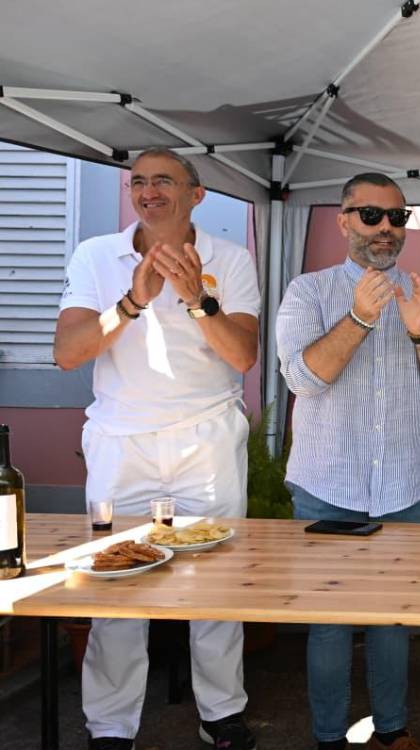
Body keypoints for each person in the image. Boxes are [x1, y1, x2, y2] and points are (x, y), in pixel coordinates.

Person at [53, 147, 261, 750]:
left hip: (207, 439)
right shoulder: (96, 255)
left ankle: (221, 714)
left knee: (216, 584)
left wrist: (197, 298)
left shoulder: (232, 258)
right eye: (139, 182)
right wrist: (132, 302)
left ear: (197, 194)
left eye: (164, 181)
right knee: (117, 583)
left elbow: (242, 356)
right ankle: (110, 727)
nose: (149, 192)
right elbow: (67, 353)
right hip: (121, 442)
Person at [277, 172, 420, 750]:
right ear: (344, 222)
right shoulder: (308, 292)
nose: (386, 227)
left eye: (397, 217)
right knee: (329, 624)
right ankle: (329, 737)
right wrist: (360, 318)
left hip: (405, 484)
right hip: (326, 483)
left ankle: (391, 730)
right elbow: (303, 380)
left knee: (393, 618)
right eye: (371, 215)